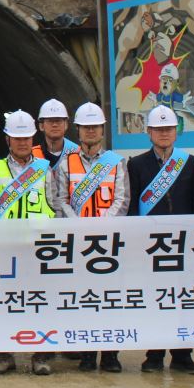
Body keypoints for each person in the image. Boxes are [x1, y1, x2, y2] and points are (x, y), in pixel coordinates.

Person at [50, 101, 130, 373]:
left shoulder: (117, 163)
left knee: (109, 299)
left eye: (95, 127)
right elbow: (60, 199)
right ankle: (86, 353)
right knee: (82, 298)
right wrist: (80, 226)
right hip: (78, 242)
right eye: (86, 127)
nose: (91, 132)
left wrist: (102, 226)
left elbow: (122, 199)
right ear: (79, 131)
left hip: (108, 241)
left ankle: (110, 355)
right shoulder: (66, 164)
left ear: (103, 130)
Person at [127, 105, 194, 375]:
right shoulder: (136, 164)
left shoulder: (189, 162)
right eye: (158, 129)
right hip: (151, 245)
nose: (164, 134)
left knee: (182, 300)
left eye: (169, 129)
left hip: (184, 244)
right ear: (148, 132)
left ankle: (182, 354)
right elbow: (132, 207)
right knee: (155, 299)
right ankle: (154, 354)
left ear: (176, 132)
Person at [0, 109, 54, 375]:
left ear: (33, 138)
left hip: (36, 249)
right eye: (16, 138)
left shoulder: (44, 170)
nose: (22, 143)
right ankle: (5, 354)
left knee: (39, 302)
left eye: (26, 138)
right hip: (5, 250)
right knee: (5, 303)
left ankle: (41, 355)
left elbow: (54, 207)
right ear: (7, 140)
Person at [32, 99, 78, 168]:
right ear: (41, 126)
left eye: (58, 120)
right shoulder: (31, 155)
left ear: (66, 125)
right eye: (50, 121)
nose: (54, 125)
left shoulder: (77, 152)